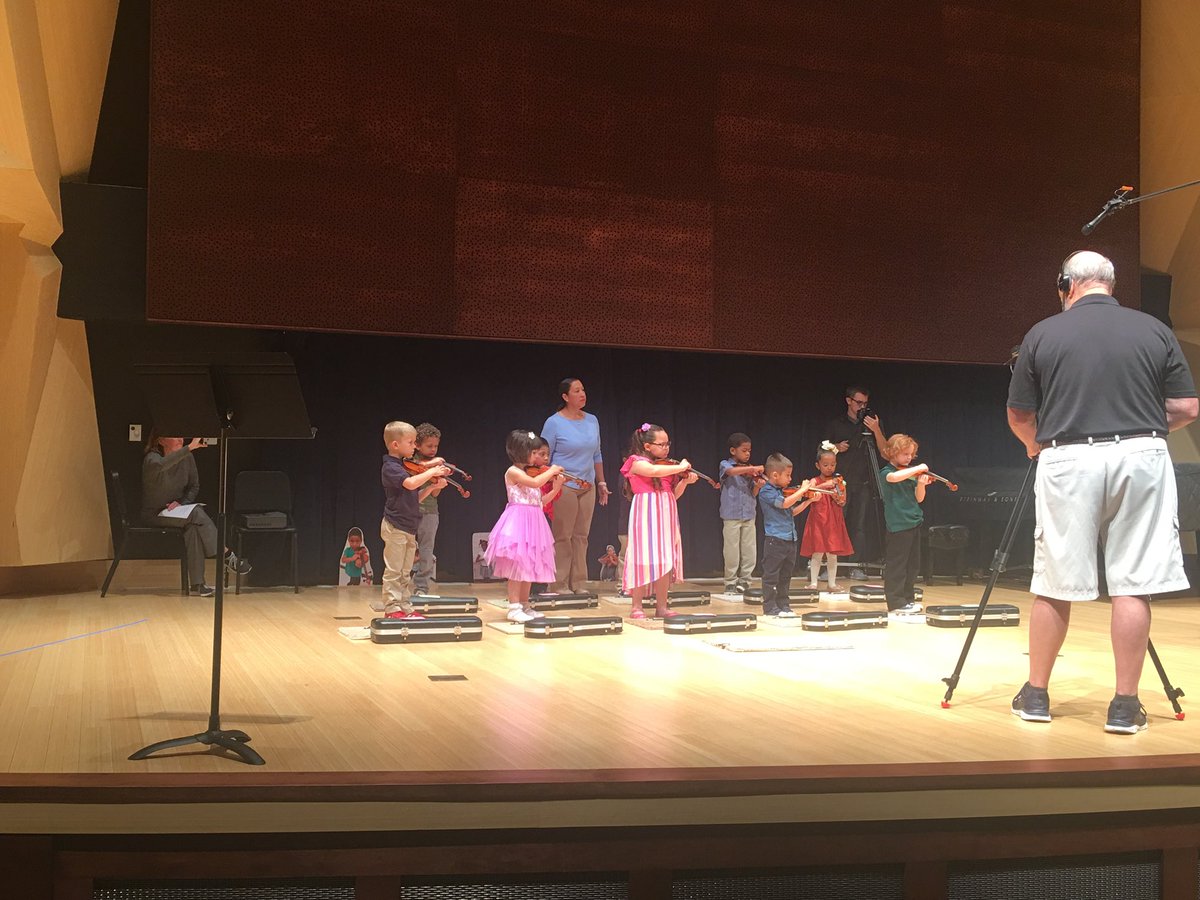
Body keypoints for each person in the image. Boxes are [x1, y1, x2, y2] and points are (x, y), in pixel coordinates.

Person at [1007, 250, 1198, 734]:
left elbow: (1020, 415)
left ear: (1067, 284)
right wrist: (1146, 429)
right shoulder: (1154, 329)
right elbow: (1186, 406)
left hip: (1068, 457)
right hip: (1142, 456)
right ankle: (1123, 705)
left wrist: (1035, 448)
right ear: (1110, 285)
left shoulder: (1043, 332)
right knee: (1133, 582)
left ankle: (1035, 696)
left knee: (1056, 580)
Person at [484, 430, 565, 623]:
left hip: (535, 520)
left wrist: (556, 488)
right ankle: (513, 607)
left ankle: (525, 604)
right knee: (517, 565)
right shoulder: (514, 472)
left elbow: (540, 501)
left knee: (529, 564)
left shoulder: (531, 472)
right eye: (534, 452)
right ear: (522, 452)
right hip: (519, 520)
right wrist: (552, 471)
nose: (538, 457)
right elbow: (535, 482)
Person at [620, 423, 699, 619]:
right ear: (647, 446)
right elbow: (652, 471)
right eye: (661, 444)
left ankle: (661, 606)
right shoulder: (636, 461)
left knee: (665, 558)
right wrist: (679, 467)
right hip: (646, 511)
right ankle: (636, 606)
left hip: (667, 512)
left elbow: (673, 494)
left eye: (667, 444)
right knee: (643, 557)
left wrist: (684, 481)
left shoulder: (668, 468)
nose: (666, 448)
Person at [541, 378, 609, 592]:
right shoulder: (554, 422)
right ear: (565, 397)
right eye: (577, 391)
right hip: (565, 485)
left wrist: (601, 482)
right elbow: (543, 456)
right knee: (563, 535)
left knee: (582, 536)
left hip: (587, 485)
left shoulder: (592, 420)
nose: (582, 394)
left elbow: (597, 453)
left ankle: (579, 583)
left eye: (583, 390)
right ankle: (558, 584)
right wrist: (551, 481)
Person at [380, 421, 449, 619]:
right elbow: (410, 484)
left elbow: (414, 497)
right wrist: (432, 472)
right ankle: (392, 608)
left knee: (404, 571)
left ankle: (404, 605)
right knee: (394, 571)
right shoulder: (390, 467)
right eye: (410, 442)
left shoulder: (402, 466)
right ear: (395, 445)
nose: (413, 446)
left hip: (408, 527)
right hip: (395, 526)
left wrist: (431, 488)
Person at [141, 432, 222, 596]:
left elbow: (194, 486)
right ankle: (225, 553)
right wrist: (190, 447)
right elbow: (164, 464)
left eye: (181, 435)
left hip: (176, 511)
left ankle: (198, 584)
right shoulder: (152, 460)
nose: (180, 439)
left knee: (193, 526)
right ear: (161, 440)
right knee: (197, 513)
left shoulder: (187, 458)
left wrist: (182, 502)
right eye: (174, 435)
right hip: (154, 514)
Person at [824, 386, 887, 579]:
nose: (862, 407)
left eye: (865, 403)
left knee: (859, 526)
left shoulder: (871, 423)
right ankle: (831, 567)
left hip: (864, 481)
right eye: (858, 402)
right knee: (836, 524)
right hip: (840, 481)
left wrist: (875, 429)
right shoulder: (837, 424)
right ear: (849, 401)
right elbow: (822, 448)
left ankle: (855, 565)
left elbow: (885, 450)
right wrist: (836, 448)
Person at [756, 453, 814, 618]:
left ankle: (784, 605)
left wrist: (808, 501)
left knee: (786, 576)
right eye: (787, 475)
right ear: (775, 475)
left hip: (790, 539)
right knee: (771, 576)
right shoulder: (766, 491)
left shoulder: (782, 491)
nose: (790, 479)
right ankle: (770, 607)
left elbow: (792, 511)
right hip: (775, 539)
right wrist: (802, 490)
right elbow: (783, 504)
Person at [879, 433, 930, 618]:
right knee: (897, 565)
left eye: (911, 454)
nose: (909, 458)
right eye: (905, 454)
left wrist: (921, 483)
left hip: (914, 522)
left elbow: (919, 498)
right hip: (898, 525)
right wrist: (918, 468)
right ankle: (895, 602)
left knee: (912, 566)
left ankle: (907, 598)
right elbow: (893, 477)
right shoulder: (887, 472)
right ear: (893, 453)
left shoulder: (909, 474)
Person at [799, 444, 854, 590]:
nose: (829, 468)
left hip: (833, 521)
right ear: (818, 465)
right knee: (817, 552)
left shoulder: (840, 481)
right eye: (825, 465)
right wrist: (826, 485)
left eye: (832, 464)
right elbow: (808, 490)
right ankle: (813, 582)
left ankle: (832, 583)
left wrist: (838, 495)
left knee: (832, 554)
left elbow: (843, 501)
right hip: (818, 520)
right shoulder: (815, 481)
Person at [719, 432, 764, 595]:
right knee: (731, 550)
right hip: (731, 514)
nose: (747, 454)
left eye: (749, 451)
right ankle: (730, 581)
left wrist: (758, 484)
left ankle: (745, 580)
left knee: (749, 550)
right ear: (733, 451)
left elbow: (753, 492)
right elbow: (730, 472)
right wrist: (752, 469)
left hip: (749, 513)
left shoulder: (750, 471)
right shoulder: (725, 464)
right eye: (744, 450)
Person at [412, 423, 445, 595]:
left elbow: (435, 494)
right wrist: (432, 466)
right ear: (417, 445)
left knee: (426, 551)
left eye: (436, 446)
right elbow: (416, 467)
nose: (433, 449)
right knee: (406, 549)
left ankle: (421, 588)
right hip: (409, 511)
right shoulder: (412, 461)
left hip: (430, 511)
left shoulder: (436, 466)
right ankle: (401, 587)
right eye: (429, 446)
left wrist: (439, 483)